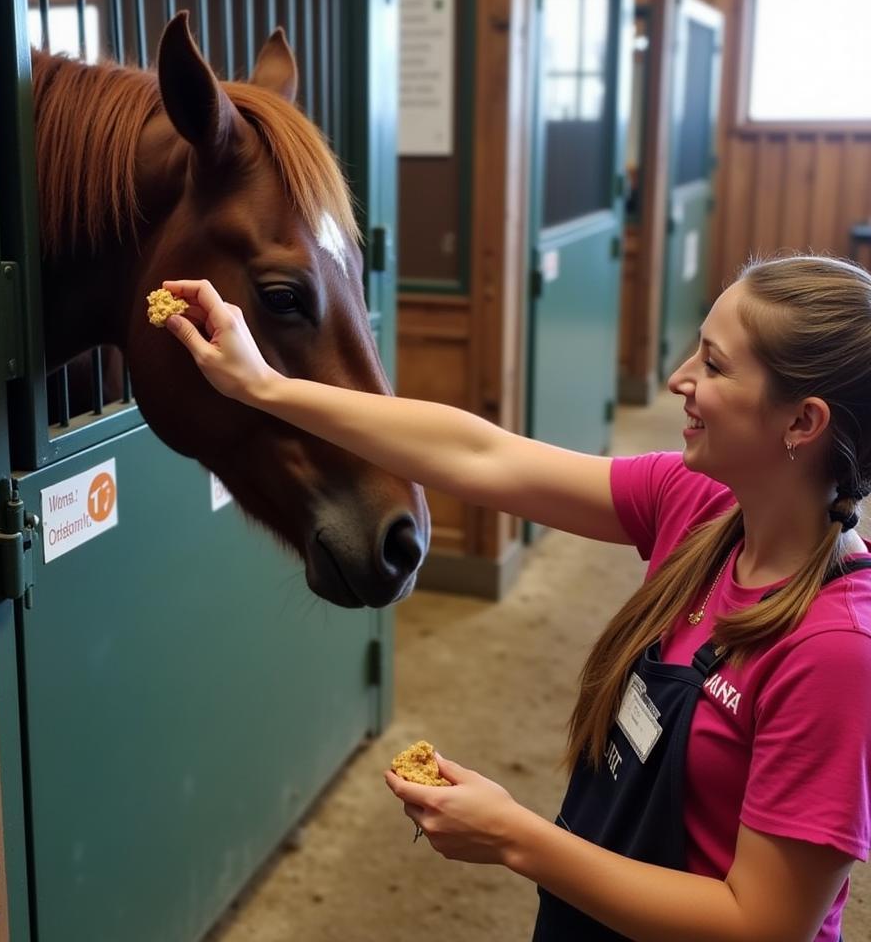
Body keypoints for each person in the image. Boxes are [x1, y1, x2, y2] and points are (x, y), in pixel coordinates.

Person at [162, 254, 871, 942]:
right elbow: (483, 455)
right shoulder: (701, 506)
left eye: (714, 366)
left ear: (802, 424)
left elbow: (763, 924)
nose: (680, 378)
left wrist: (514, 837)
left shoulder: (834, 650)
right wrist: (263, 387)